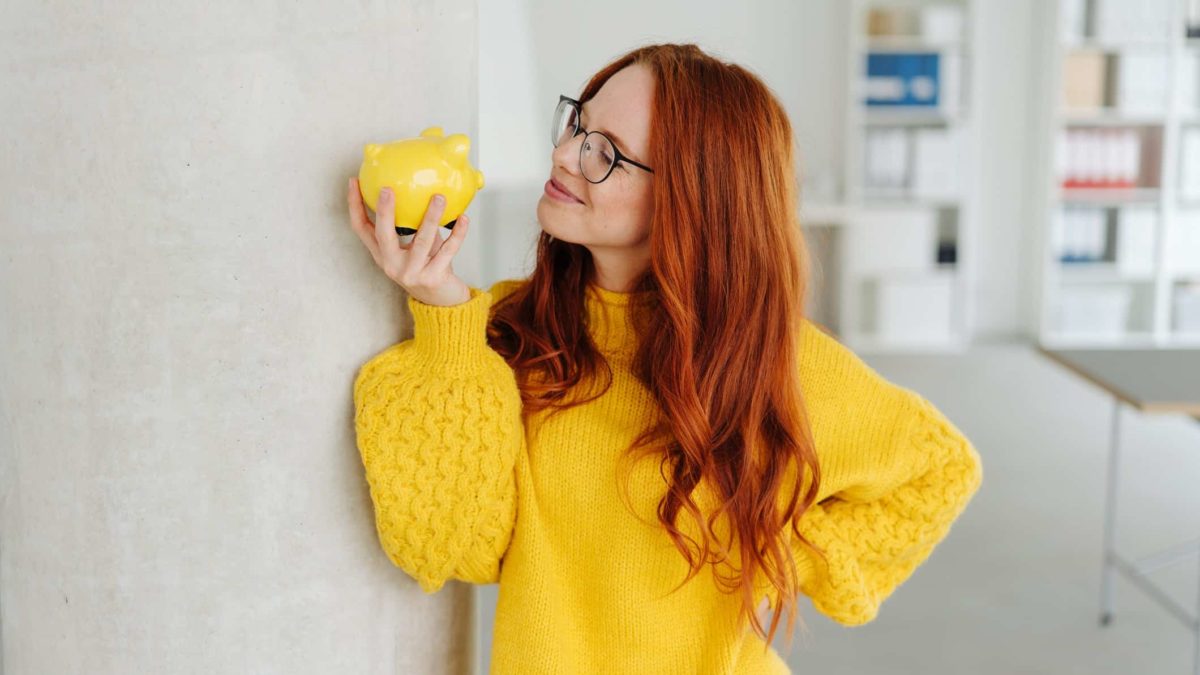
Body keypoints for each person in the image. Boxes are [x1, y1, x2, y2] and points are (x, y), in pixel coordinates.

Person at [348, 42, 983, 675]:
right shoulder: (504, 337)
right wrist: (443, 314)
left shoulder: (771, 362)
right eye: (579, 124)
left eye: (608, 154)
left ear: (692, 197)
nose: (564, 155)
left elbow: (939, 470)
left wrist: (774, 544)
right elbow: (450, 548)